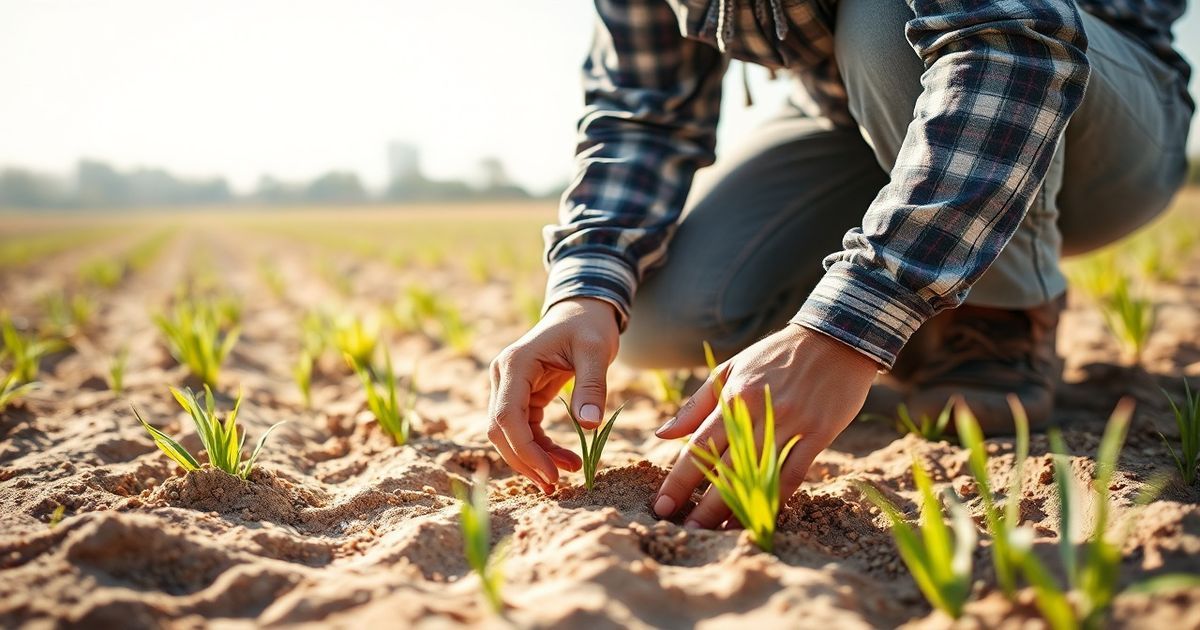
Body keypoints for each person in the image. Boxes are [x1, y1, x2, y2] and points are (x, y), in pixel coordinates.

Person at [487, 0, 1193, 529]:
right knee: (658, 319)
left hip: (1081, 92)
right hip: (846, 118)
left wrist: (844, 332)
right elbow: (643, 111)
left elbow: (1007, 46)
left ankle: (1000, 322)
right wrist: (583, 289)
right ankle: (924, 295)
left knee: (883, 21)